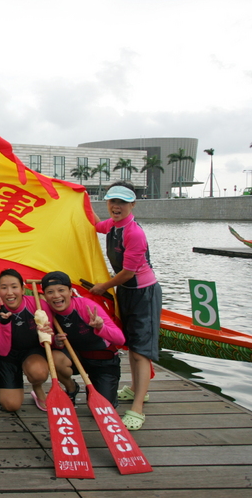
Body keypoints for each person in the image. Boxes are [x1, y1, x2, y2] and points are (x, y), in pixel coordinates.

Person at [88, 182, 162, 430]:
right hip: (126, 292)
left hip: (144, 293)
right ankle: (134, 389)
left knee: (141, 351)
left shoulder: (134, 233)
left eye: (122, 202)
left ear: (133, 204)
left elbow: (128, 272)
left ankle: (138, 407)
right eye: (112, 201)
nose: (116, 206)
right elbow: (96, 225)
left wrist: (102, 286)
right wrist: (80, 200)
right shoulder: (113, 225)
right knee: (131, 345)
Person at [40, 270, 125, 408]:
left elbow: (120, 340)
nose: (56, 296)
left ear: (70, 291)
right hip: (77, 358)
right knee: (55, 358)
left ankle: (97, 387)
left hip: (103, 361)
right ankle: (71, 388)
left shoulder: (87, 307)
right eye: (50, 292)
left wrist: (101, 327)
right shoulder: (46, 313)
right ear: (45, 295)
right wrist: (56, 341)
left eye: (61, 290)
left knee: (102, 408)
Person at [0, 268, 56, 412]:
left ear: (23, 289)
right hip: (8, 356)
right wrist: (5, 324)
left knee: (38, 373)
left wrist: (50, 335)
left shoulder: (38, 305)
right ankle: (0, 377)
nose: (9, 292)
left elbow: (50, 340)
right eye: (4, 288)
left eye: (14, 287)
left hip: (32, 352)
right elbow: (2, 350)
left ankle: (37, 388)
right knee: (11, 406)